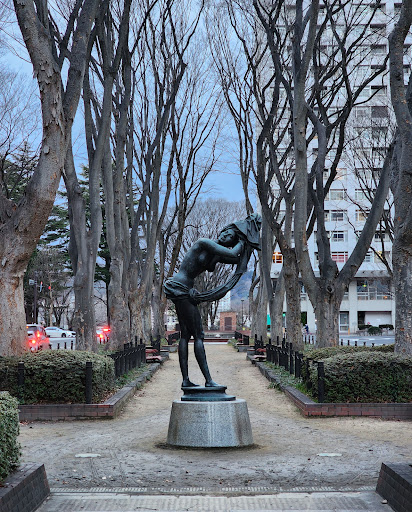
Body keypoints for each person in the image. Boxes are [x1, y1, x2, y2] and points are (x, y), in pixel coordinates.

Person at [165, 214, 261, 388]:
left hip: (183, 289)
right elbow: (232, 253)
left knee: (185, 335)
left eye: (230, 237)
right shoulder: (204, 242)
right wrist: (244, 239)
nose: (226, 236)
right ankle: (208, 381)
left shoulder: (215, 253)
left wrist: (247, 248)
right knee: (198, 335)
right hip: (181, 288)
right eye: (226, 232)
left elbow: (236, 259)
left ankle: (186, 380)